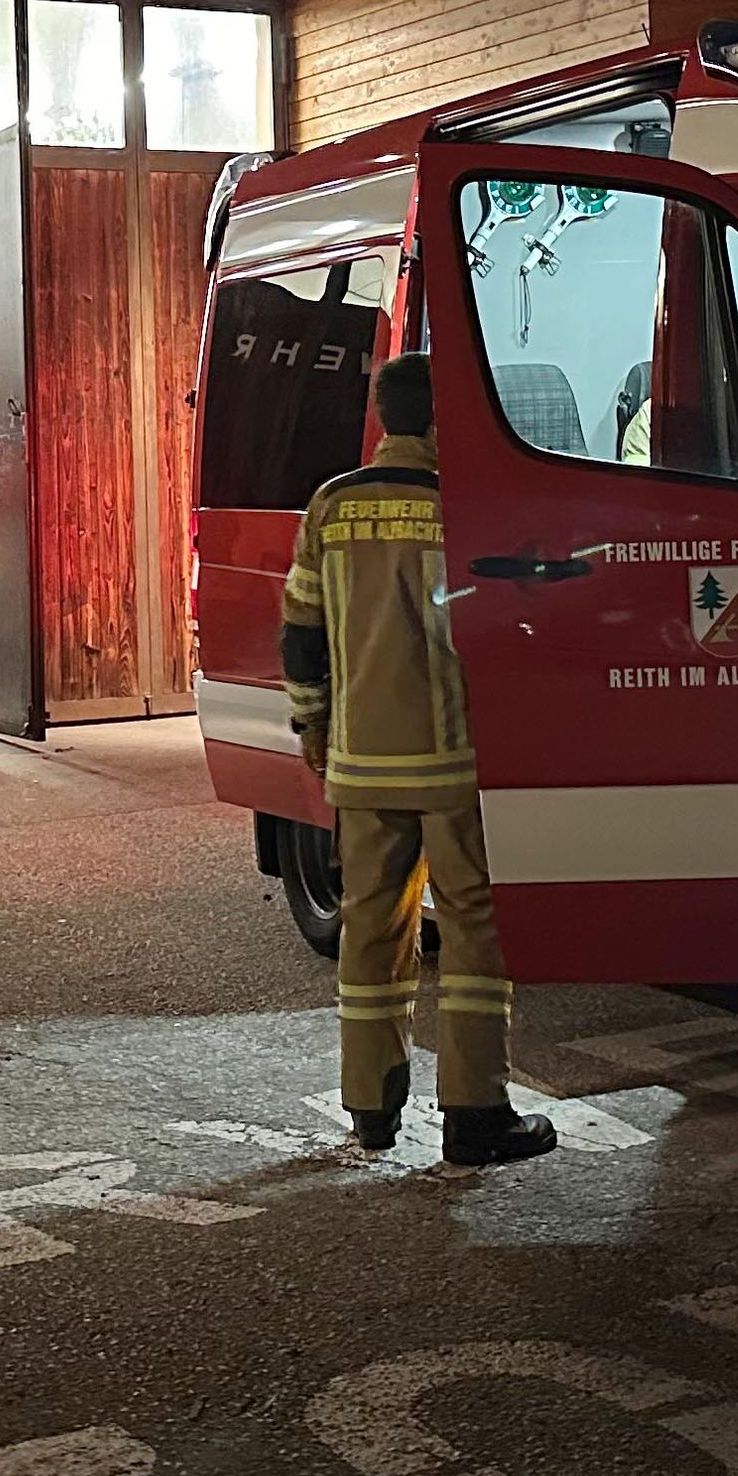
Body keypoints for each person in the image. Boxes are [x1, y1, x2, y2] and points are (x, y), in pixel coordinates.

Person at [278, 354, 558, 1169]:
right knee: (473, 931)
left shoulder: (331, 505)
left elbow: (299, 628)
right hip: (453, 761)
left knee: (371, 930)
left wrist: (312, 721)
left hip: (362, 763)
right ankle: (476, 1113)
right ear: (443, 422)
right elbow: (510, 633)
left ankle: (370, 1106)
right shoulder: (463, 507)